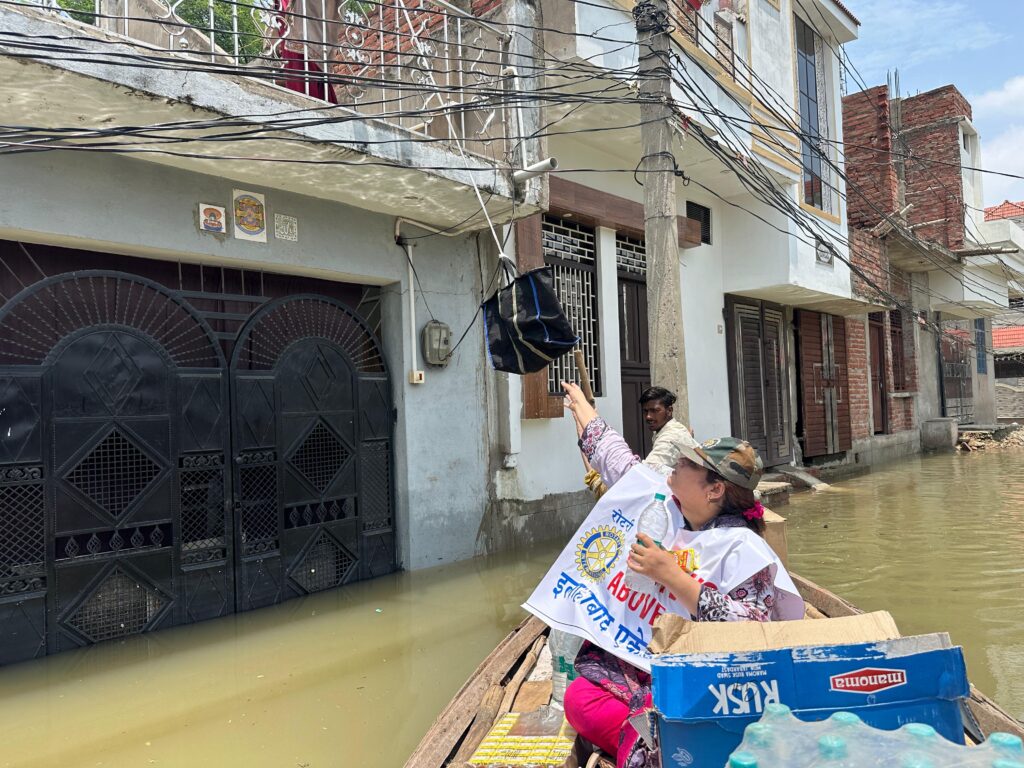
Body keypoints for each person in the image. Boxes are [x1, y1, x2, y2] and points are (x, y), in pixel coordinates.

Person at [559, 381, 804, 768]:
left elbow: (752, 632)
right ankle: (659, 742)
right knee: (580, 698)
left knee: (673, 712)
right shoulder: (665, 504)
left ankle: (658, 746)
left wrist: (673, 576)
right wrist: (581, 407)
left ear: (714, 490)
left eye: (689, 463)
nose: (677, 462)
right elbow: (615, 458)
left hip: (706, 676)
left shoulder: (742, 547)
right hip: (651, 658)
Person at [638, 386, 699, 473]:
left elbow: (648, 471)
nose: (648, 416)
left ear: (669, 411)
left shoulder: (672, 436)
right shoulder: (668, 430)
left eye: (654, 410)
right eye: (645, 411)